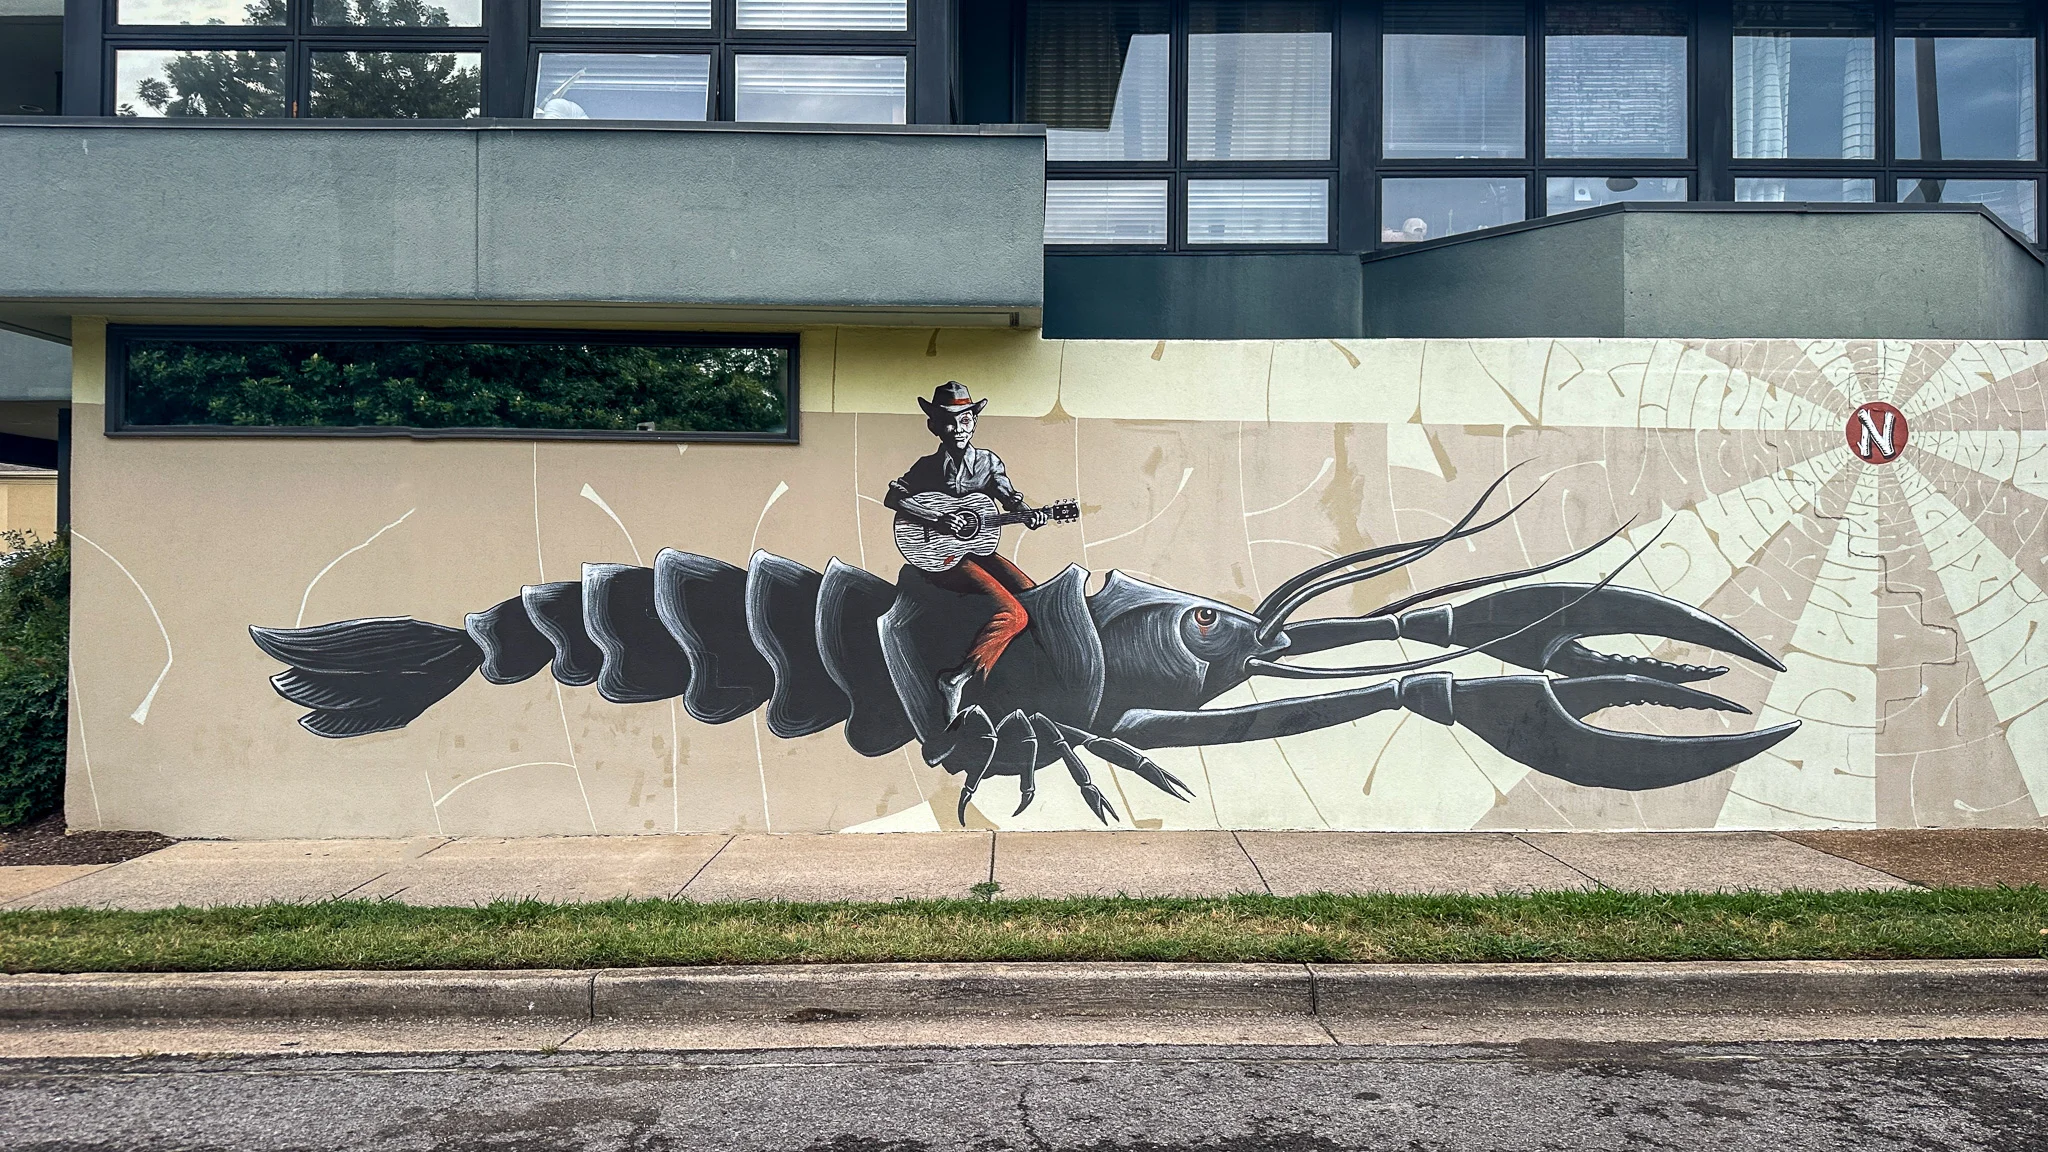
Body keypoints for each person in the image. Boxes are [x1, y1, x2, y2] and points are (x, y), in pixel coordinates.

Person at [884, 382, 1048, 718]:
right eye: (948, 421)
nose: (957, 429)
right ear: (934, 426)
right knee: (1014, 613)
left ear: (974, 422)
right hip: (937, 554)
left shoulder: (987, 462)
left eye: (965, 421)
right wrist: (938, 518)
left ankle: (1017, 680)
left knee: (1038, 598)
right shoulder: (926, 467)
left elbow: (1008, 496)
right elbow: (894, 498)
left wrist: (1028, 513)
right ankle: (956, 679)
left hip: (976, 549)